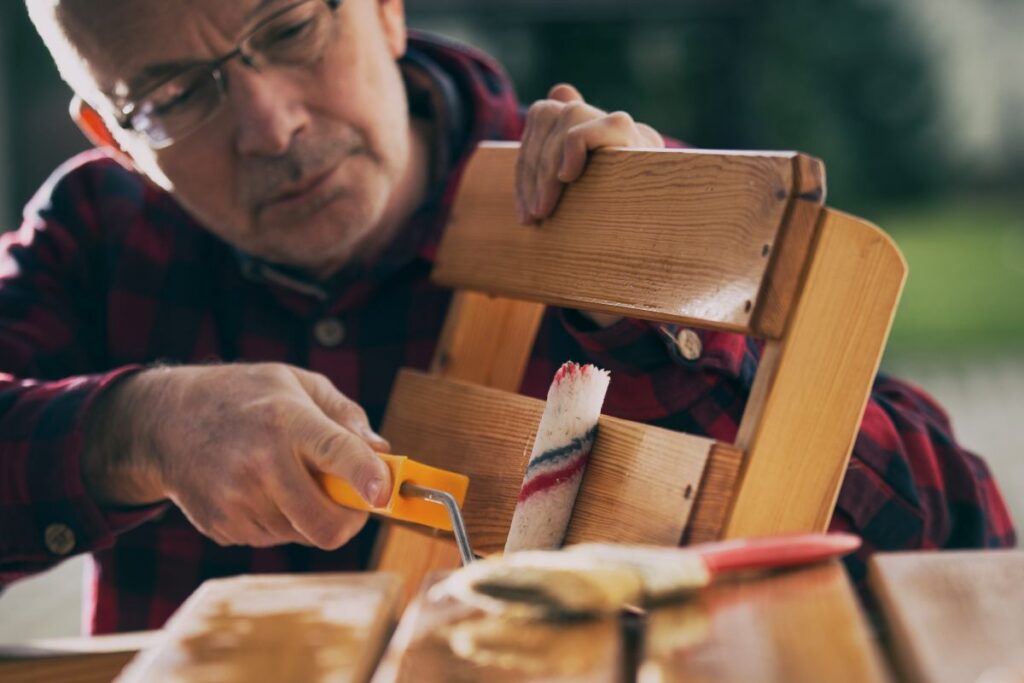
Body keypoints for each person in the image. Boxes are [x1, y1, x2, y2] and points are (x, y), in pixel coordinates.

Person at [1, 0, 1014, 634]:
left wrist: (660, 317)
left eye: (292, 29)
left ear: (385, 9)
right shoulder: (96, 233)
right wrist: (139, 429)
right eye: (177, 95)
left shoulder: (576, 195)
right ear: (112, 133)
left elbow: (965, 546)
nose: (273, 126)